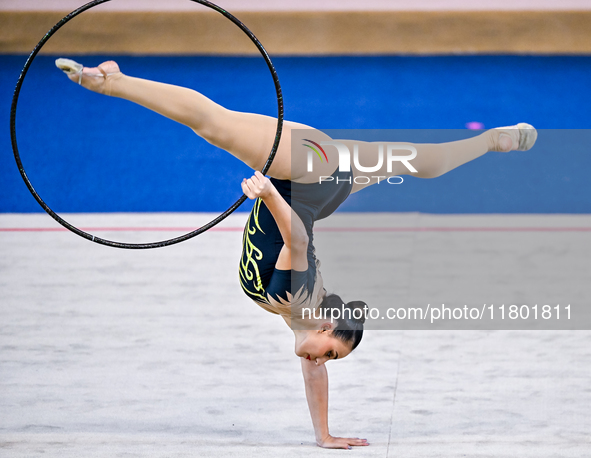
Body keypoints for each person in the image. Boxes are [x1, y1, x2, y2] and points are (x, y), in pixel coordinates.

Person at [56, 58, 537, 449]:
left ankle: (493, 139)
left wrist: (324, 436)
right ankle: (111, 83)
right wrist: (267, 194)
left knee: (423, 163)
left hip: (331, 185)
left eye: (329, 358)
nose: (321, 360)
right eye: (330, 352)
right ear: (326, 327)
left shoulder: (302, 321)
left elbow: (313, 374)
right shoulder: (300, 304)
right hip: (308, 175)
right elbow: (297, 242)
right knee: (213, 124)